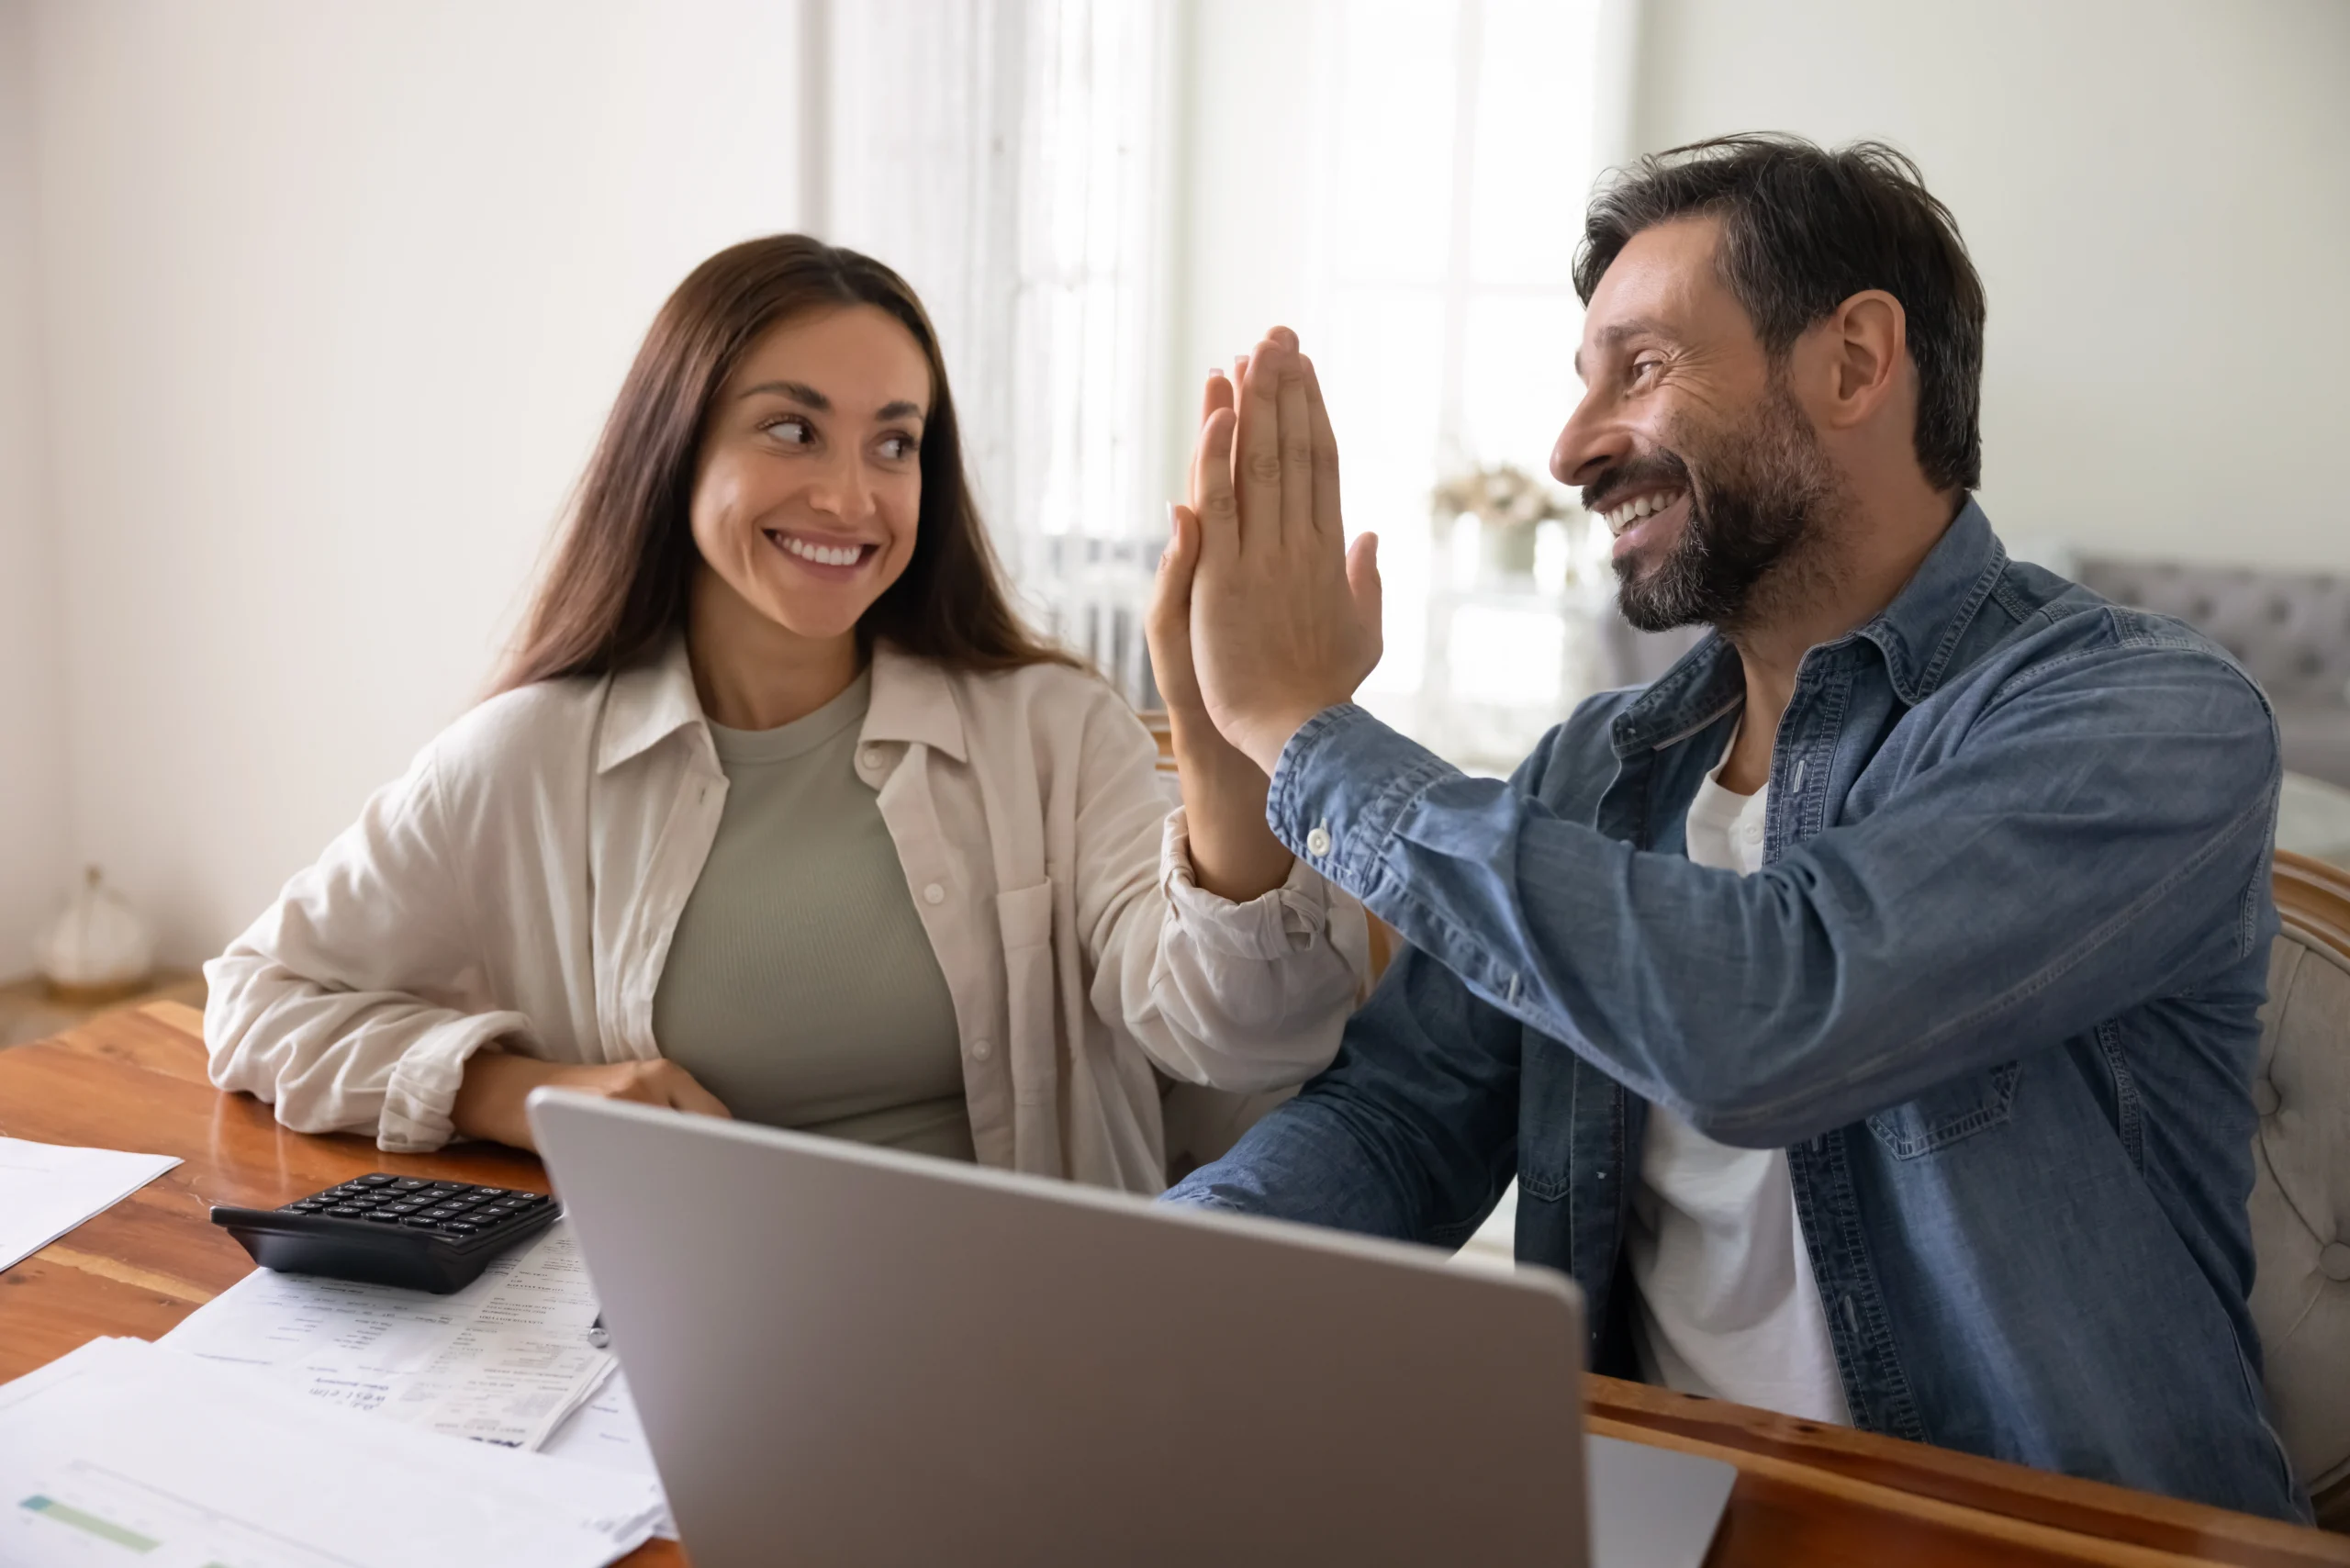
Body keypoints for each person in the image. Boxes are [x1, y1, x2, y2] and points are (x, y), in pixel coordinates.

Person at [1156, 136, 2307, 1520]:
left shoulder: (2147, 716)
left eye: (1639, 367)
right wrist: (1146, 1284)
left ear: (1855, 362)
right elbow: (1403, 1124)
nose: (1574, 449)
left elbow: (1775, 1013)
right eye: (1584, 384)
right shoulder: (1596, 768)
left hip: (2035, 1546)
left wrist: (1302, 733)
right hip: (1653, 1516)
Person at [206, 235, 1368, 1193]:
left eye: (895, 443)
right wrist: (522, 1091)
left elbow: (1245, 1036)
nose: (850, 496)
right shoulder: (531, 758)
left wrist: (1222, 748)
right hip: (676, 1342)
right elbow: (257, 1002)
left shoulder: (1051, 731)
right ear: (677, 447)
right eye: (791, 428)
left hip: (1017, 1333)